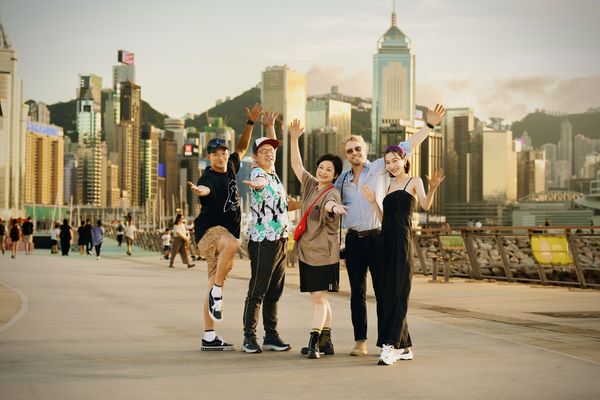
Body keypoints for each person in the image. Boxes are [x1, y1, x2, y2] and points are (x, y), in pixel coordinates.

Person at [335, 103, 446, 356]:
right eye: (349, 151)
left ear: (365, 150)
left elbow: (406, 147)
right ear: (346, 155)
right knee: (357, 294)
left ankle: (393, 341)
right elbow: (323, 188)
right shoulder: (341, 179)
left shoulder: (379, 167)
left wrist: (428, 125)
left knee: (386, 291)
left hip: (378, 237)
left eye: (358, 148)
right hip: (353, 240)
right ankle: (360, 341)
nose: (354, 153)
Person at [188, 103, 263, 351]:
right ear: (209, 157)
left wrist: (250, 123)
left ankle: (209, 337)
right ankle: (217, 292)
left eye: (223, 152)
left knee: (212, 281)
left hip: (225, 233)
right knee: (232, 244)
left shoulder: (231, 166)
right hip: (210, 232)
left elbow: (242, 147)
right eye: (215, 154)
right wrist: (201, 191)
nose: (220, 157)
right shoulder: (207, 177)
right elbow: (206, 190)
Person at [362, 146, 445, 366]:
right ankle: (405, 346)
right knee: (388, 291)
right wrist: (372, 202)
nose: (391, 165)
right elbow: (384, 219)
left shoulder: (414, 181)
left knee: (398, 292)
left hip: (401, 239)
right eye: (388, 162)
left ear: (404, 159)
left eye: (395, 160)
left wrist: (433, 187)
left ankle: (391, 345)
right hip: (385, 240)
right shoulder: (388, 185)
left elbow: (426, 205)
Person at [289, 119, 348, 359]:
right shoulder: (311, 184)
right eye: (321, 167)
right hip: (307, 251)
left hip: (324, 254)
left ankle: (313, 342)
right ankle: (327, 342)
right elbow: (296, 164)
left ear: (334, 176)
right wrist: (294, 139)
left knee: (318, 299)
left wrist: (335, 209)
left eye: (329, 170)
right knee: (320, 299)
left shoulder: (332, 192)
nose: (323, 171)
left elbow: (331, 205)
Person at [240, 111, 292, 354]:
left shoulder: (273, 174)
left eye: (271, 151)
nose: (269, 153)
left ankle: (271, 335)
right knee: (258, 290)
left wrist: (271, 127)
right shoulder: (258, 174)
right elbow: (258, 183)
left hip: (280, 240)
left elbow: (275, 149)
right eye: (263, 151)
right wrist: (257, 185)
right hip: (263, 241)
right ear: (255, 158)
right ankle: (249, 337)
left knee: (274, 291)